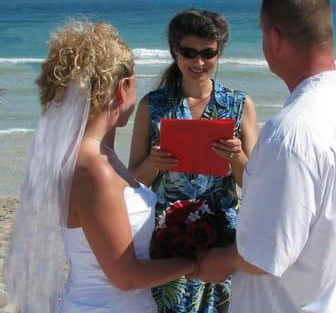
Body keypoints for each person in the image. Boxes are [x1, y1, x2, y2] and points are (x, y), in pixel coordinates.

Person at [193, 0, 336, 312]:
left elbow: (264, 255)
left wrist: (219, 260)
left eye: (262, 32)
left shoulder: (291, 132)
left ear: (274, 39)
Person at [5, 21, 195, 313]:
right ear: (123, 88)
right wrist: (194, 264)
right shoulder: (94, 167)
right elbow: (126, 276)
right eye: (135, 81)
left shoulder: (98, 155)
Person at [129, 9, 258, 312]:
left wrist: (236, 154)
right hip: (168, 235)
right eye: (189, 53)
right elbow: (133, 181)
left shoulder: (239, 104)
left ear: (219, 52)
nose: (199, 63)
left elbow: (252, 182)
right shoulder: (154, 105)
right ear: (175, 52)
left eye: (207, 53)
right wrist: (154, 163)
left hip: (221, 236)